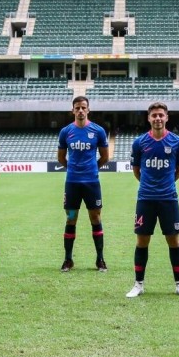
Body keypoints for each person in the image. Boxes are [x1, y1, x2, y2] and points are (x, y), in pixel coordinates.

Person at [126, 102, 179, 298]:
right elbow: (137, 171)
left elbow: (178, 171)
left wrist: (165, 185)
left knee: (174, 241)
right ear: (149, 118)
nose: (158, 118)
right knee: (142, 241)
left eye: (161, 115)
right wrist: (149, 185)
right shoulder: (139, 143)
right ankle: (138, 284)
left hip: (169, 199)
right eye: (154, 115)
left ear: (167, 117)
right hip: (145, 198)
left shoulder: (177, 142)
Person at [57, 96, 109, 272]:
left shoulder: (98, 131)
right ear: (73, 110)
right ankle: (68, 259)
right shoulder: (66, 132)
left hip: (92, 183)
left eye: (83, 108)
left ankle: (100, 259)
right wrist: (73, 168)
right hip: (72, 182)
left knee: (95, 218)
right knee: (71, 218)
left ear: (88, 110)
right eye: (77, 108)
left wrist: (91, 168)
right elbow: (61, 157)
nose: (80, 110)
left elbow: (105, 157)